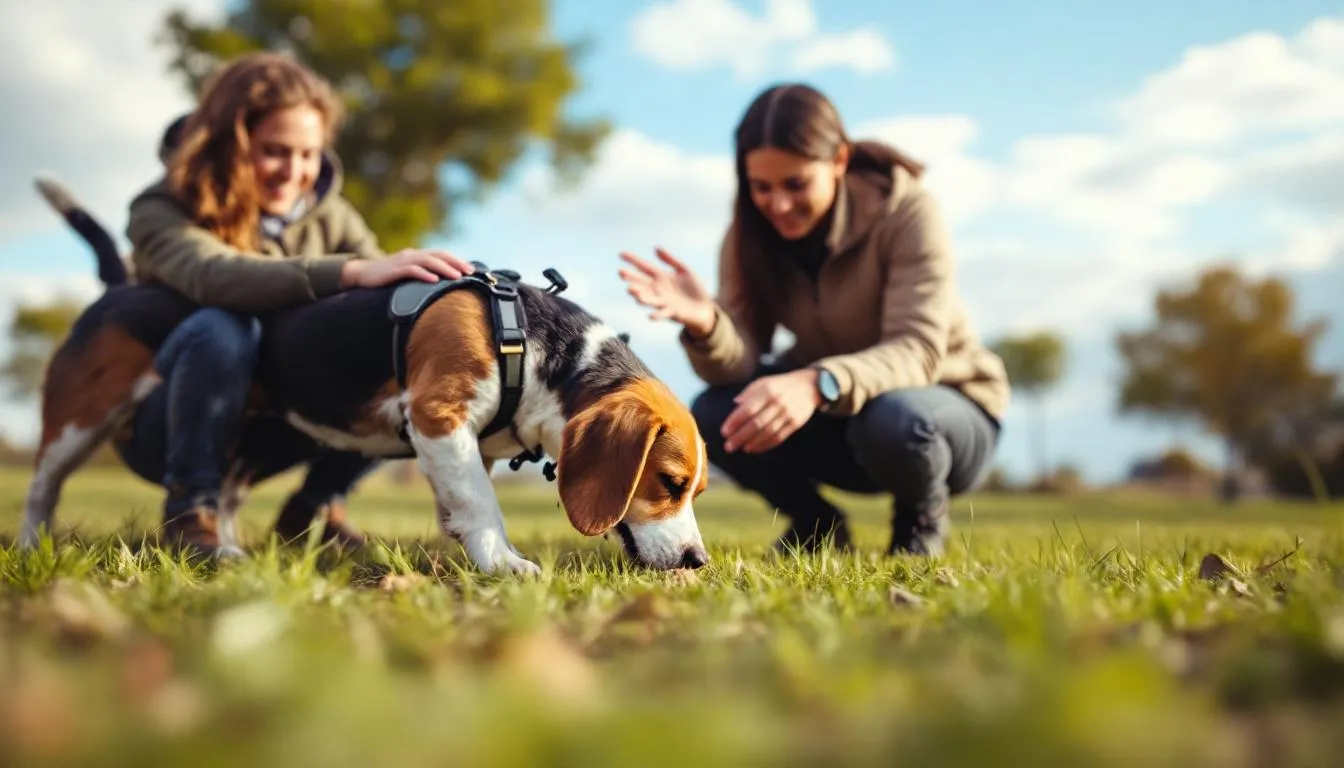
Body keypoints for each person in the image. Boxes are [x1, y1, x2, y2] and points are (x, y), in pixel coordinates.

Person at [618, 83, 1010, 557]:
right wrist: (709, 324)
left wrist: (815, 382)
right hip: (839, 418)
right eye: (761, 187)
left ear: (840, 161)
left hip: (940, 419)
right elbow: (738, 362)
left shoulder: (908, 212)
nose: (778, 204)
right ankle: (817, 524)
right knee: (718, 413)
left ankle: (920, 521)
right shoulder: (748, 235)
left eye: (796, 184)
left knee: (896, 419)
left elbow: (918, 351)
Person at [117, 51, 476, 556]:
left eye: (308, 154)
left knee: (399, 352)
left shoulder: (333, 215)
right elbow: (211, 276)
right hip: (171, 420)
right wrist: (349, 271)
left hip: (281, 423)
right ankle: (191, 511)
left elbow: (381, 310)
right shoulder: (160, 208)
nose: (295, 171)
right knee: (223, 327)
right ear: (228, 146)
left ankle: (313, 508)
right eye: (275, 151)